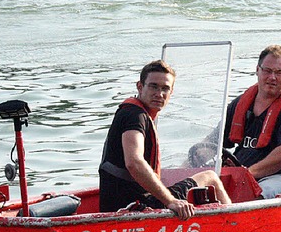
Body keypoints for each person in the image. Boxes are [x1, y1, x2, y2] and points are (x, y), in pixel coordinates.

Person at [99, 60, 231, 219]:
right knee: (210, 177)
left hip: (117, 204)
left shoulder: (132, 113)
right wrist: (171, 201)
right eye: (153, 86)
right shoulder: (135, 116)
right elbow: (134, 162)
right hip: (138, 206)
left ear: (171, 92)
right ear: (140, 87)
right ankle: (239, 228)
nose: (159, 94)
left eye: (165, 88)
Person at [222, 45, 281, 199]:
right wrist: (198, 154)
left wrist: (247, 175)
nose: (272, 77)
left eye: (279, 73)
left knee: (255, 192)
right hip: (243, 173)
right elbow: (217, 140)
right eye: (267, 70)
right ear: (257, 70)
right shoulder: (240, 104)